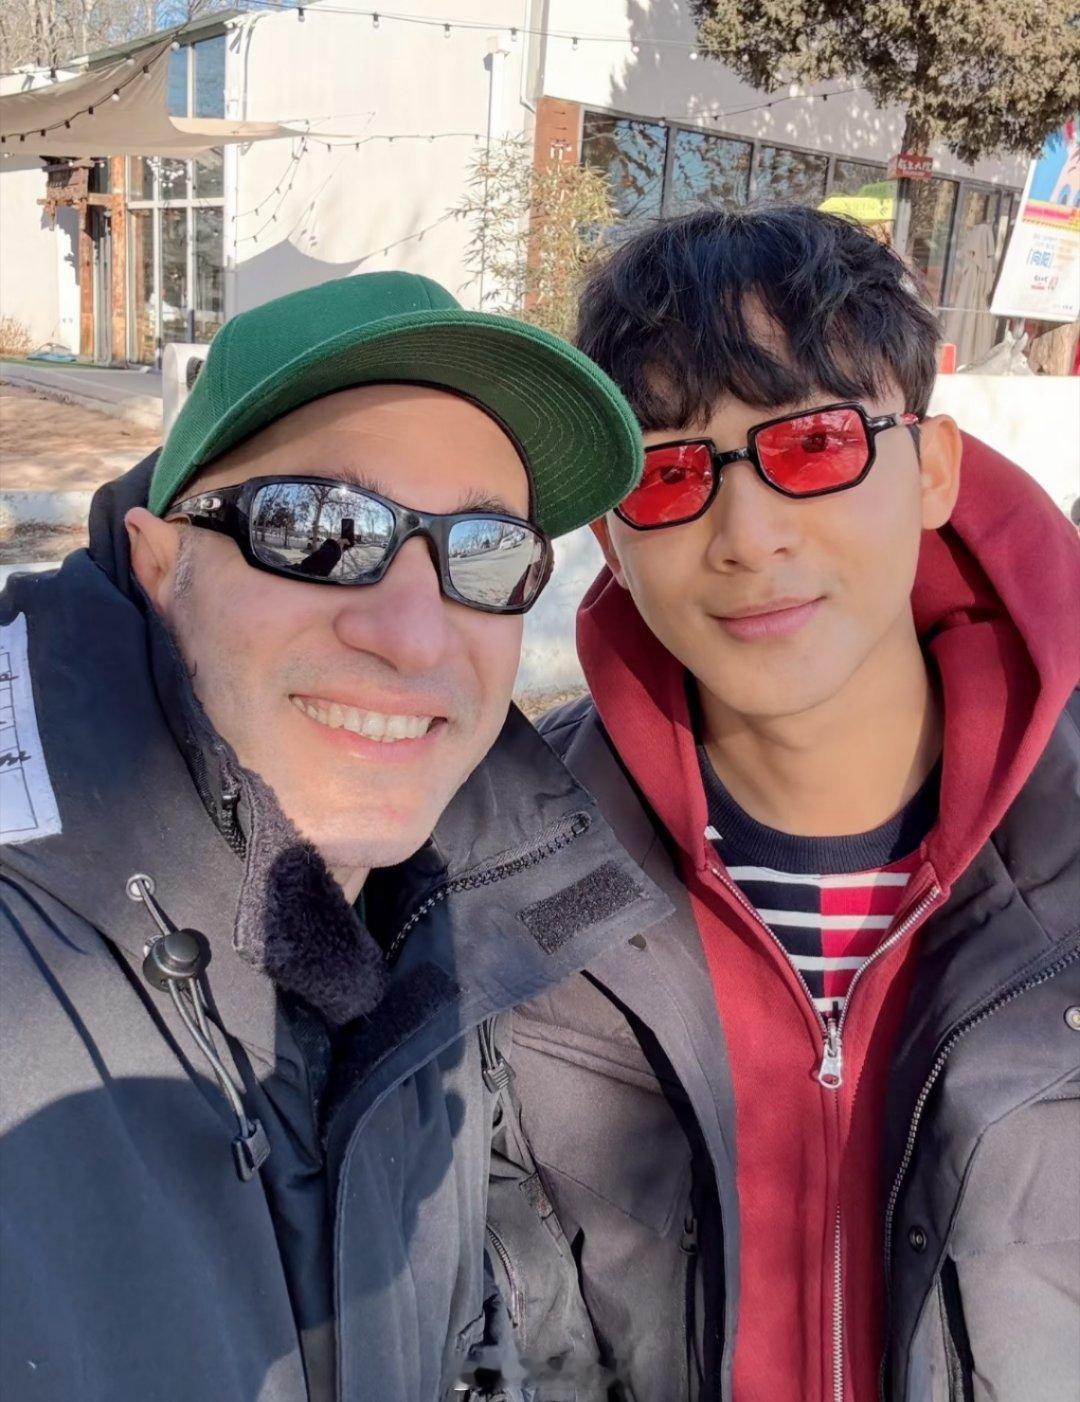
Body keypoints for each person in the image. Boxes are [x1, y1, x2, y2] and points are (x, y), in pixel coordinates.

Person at [0, 272, 669, 1402]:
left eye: (487, 553)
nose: (414, 636)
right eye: (319, 530)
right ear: (161, 566)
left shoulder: (440, 921)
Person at [487, 209, 1080, 1402]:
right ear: (611, 535)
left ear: (934, 469)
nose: (748, 538)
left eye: (813, 444)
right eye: (670, 474)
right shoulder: (505, 874)